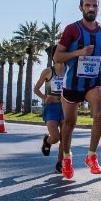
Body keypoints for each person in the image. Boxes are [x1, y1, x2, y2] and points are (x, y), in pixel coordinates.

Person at [54, 0, 101, 179]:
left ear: (99, 7)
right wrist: (79, 52)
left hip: (94, 81)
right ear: (81, 8)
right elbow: (57, 57)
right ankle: (66, 158)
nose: (91, 9)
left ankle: (91, 156)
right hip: (73, 83)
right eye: (87, 5)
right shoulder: (72, 29)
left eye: (94, 5)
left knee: (99, 114)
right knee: (69, 124)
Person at [32, 45, 65, 173]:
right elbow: (36, 88)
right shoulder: (47, 72)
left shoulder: (69, 71)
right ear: (53, 57)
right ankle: (47, 140)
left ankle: (60, 163)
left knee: (64, 137)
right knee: (56, 137)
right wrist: (44, 97)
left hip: (65, 106)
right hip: (51, 107)